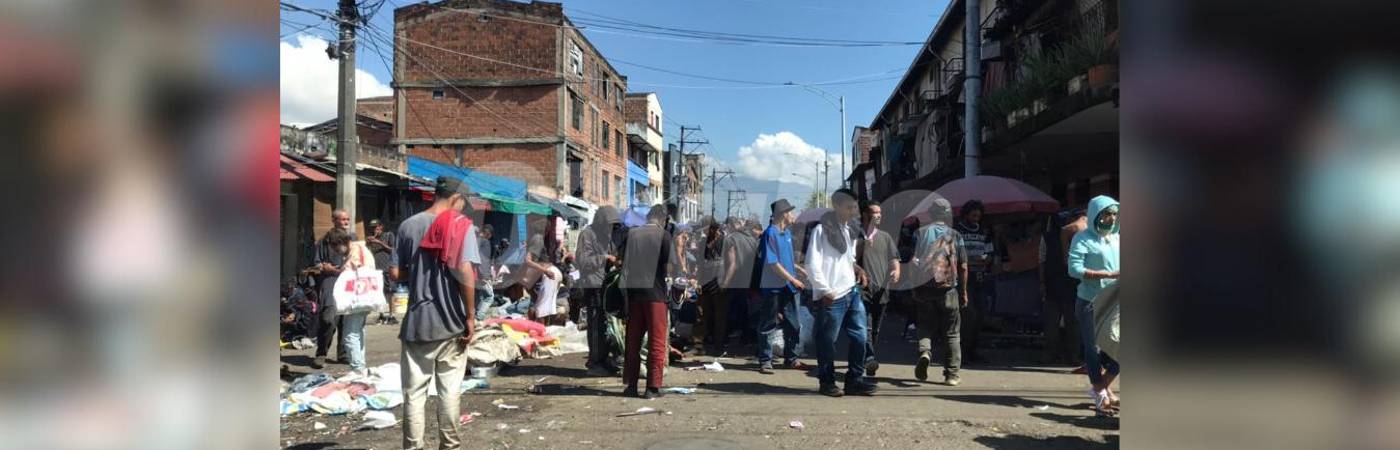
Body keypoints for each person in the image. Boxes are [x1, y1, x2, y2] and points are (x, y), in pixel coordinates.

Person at [388, 176, 480, 450]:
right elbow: (465, 272)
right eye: (463, 202)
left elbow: (395, 273)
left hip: (417, 322)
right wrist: (471, 316)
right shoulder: (462, 227)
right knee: (449, 391)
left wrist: (417, 272)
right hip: (451, 323)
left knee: (414, 394)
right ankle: (449, 445)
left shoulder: (408, 226)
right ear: (455, 198)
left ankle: (413, 447)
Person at [806, 189, 877, 397]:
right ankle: (827, 382)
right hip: (832, 296)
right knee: (827, 341)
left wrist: (859, 270)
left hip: (851, 293)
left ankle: (855, 379)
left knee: (860, 337)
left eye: (854, 207)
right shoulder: (821, 230)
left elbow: (849, 261)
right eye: (849, 207)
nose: (853, 211)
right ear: (836, 207)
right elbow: (812, 264)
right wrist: (824, 290)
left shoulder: (849, 230)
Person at [1068, 195, 1120, 416]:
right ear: (1095, 214)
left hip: (1116, 302)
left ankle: (1103, 386)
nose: (1111, 218)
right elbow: (1074, 269)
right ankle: (1100, 392)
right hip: (1090, 302)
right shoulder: (1082, 238)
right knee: (1094, 349)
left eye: (1115, 214)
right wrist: (1106, 274)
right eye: (1107, 213)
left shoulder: (1117, 238)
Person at [911, 198, 969, 386]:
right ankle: (951, 375)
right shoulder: (956, 235)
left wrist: (913, 286)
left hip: (925, 289)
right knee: (952, 333)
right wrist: (963, 291)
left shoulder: (920, 233)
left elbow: (914, 262)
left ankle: (925, 352)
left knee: (925, 326)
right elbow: (963, 266)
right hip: (949, 289)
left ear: (931, 214)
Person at [619, 206, 675, 399]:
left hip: (634, 296)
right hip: (656, 296)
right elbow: (669, 267)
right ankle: (652, 387)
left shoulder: (632, 234)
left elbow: (623, 265)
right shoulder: (664, 235)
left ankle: (631, 386)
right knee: (657, 342)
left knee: (632, 342)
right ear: (663, 218)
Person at [755, 199, 807, 375]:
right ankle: (765, 360)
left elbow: (787, 260)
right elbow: (773, 263)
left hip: (788, 287)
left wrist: (799, 269)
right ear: (784, 214)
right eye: (791, 212)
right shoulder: (770, 233)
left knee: (794, 323)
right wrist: (793, 279)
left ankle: (791, 358)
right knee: (768, 324)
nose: (793, 215)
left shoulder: (787, 234)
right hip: (773, 287)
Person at [575, 206, 622, 376]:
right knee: (595, 324)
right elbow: (582, 261)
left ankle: (603, 359)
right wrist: (604, 259)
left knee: (603, 325)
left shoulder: (606, 236)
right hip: (592, 285)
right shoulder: (587, 234)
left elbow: (613, 254)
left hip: (604, 285)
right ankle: (594, 363)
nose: (610, 229)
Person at [857, 200, 901, 376]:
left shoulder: (885, 237)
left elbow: (894, 258)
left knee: (875, 328)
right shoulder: (856, 237)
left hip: (882, 290)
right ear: (865, 215)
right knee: (865, 326)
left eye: (880, 213)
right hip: (861, 289)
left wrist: (896, 270)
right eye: (875, 212)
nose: (879, 215)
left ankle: (867, 357)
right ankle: (868, 358)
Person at [311, 209, 356, 369]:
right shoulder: (324, 240)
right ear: (334, 220)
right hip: (330, 282)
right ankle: (321, 353)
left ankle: (343, 354)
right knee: (328, 319)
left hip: (349, 283)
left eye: (347, 219)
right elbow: (316, 263)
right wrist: (325, 267)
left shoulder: (353, 239)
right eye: (343, 219)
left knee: (346, 319)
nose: (346, 222)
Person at [954, 199, 996, 363]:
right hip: (963, 279)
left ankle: (973, 350)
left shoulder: (984, 232)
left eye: (978, 215)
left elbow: (989, 255)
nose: (976, 218)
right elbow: (957, 259)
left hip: (980, 278)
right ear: (965, 215)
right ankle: (962, 351)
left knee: (980, 315)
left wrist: (976, 261)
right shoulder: (957, 232)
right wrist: (973, 261)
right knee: (968, 315)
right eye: (973, 215)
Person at [1040, 209, 1084, 365]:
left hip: (1056, 284)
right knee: (1072, 322)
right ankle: (1072, 355)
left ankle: (1052, 354)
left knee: (1053, 322)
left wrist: (1042, 284)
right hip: (1070, 285)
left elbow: (1042, 261)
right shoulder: (1079, 236)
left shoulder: (1047, 237)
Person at [691, 218, 726, 355]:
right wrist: (698, 281)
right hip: (705, 283)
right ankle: (698, 345)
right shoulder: (702, 243)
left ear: (713, 228)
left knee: (719, 316)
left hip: (720, 283)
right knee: (700, 314)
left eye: (706, 229)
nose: (704, 232)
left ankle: (719, 346)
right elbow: (700, 263)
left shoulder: (724, 242)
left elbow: (731, 262)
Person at [524, 218, 562, 324]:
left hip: (546, 274)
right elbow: (529, 260)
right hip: (546, 273)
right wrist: (544, 270)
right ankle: (540, 330)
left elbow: (528, 260)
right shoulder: (538, 238)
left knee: (540, 307)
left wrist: (544, 271)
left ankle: (540, 331)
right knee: (540, 307)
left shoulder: (537, 238)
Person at [473, 224, 498, 322]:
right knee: (489, 297)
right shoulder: (485, 242)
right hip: (481, 275)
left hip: (475, 274)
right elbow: (482, 260)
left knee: (479, 296)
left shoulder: (476, 240)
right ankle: (479, 317)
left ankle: (474, 315)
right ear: (489, 234)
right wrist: (484, 275)